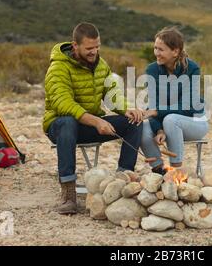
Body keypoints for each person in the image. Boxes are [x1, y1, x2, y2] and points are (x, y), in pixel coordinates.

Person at [43, 22, 143, 215]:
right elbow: (63, 104)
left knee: (134, 122)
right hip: (59, 127)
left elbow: (112, 94)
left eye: (97, 47)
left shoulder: (100, 65)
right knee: (67, 121)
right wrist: (96, 121)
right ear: (75, 46)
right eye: (89, 48)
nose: (94, 52)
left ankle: (122, 180)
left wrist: (126, 109)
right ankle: (68, 194)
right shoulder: (58, 68)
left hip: (87, 126)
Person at [141, 27, 209, 174]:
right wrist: (159, 129)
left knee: (171, 120)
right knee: (142, 130)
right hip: (166, 123)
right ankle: (160, 171)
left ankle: (176, 173)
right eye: (155, 48)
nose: (156, 53)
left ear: (175, 51)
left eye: (161, 49)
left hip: (195, 123)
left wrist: (157, 112)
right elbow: (153, 105)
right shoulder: (152, 70)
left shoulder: (192, 68)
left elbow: (188, 106)